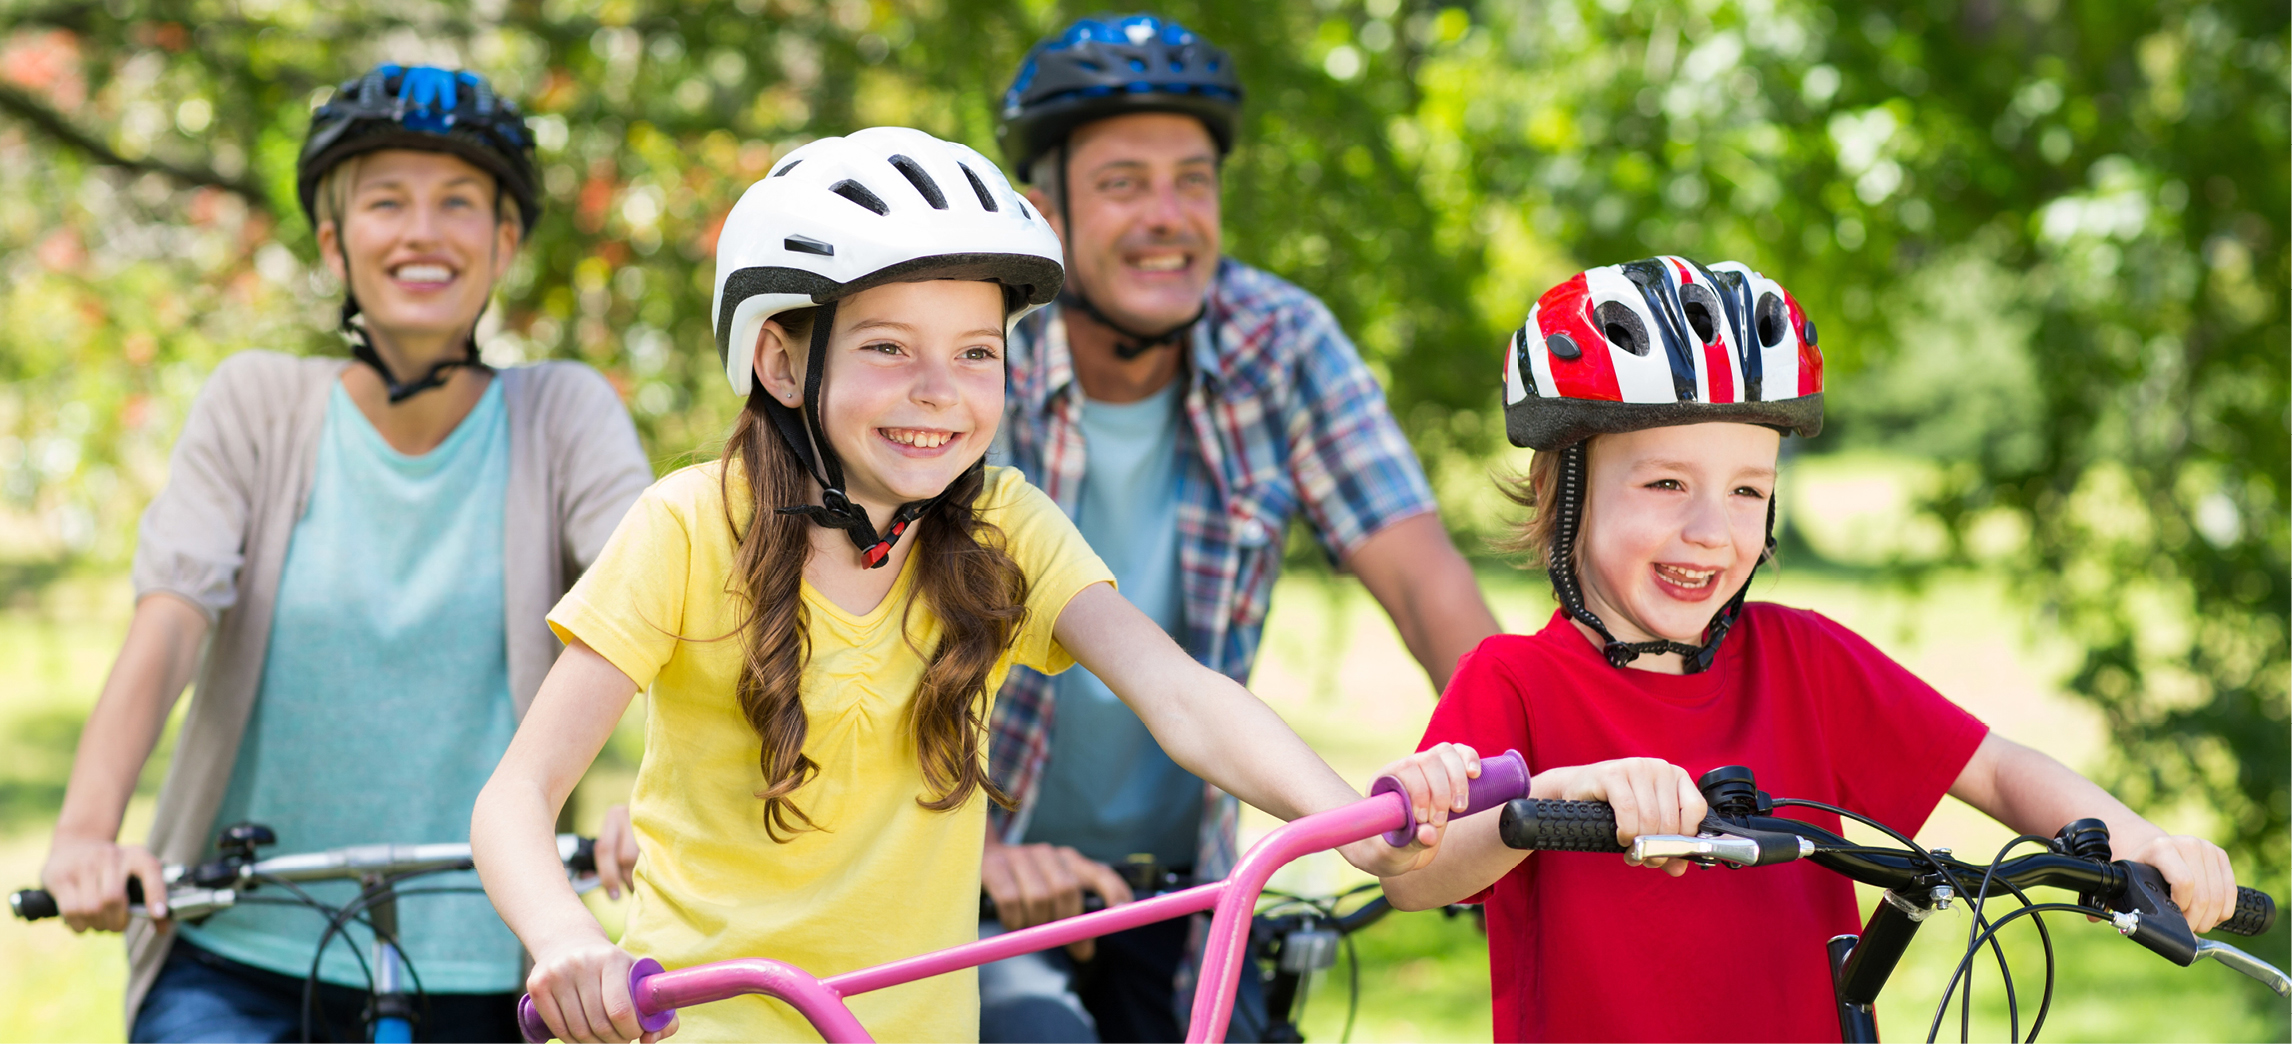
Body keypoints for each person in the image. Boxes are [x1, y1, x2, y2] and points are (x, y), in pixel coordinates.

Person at [469, 127, 1482, 1044]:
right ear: (781, 360)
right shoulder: (689, 527)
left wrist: (1350, 816)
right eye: (887, 348)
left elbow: (1182, 696)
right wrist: (565, 937)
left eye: (975, 353)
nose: (939, 391)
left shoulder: (1004, 529)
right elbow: (518, 795)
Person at [1378, 256, 2245, 1042]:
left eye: (1748, 490)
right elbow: (1415, 874)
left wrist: (2140, 842)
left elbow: (1996, 767)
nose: (1711, 532)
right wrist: (1557, 793)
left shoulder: (1804, 662)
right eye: (1666, 483)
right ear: (1565, 491)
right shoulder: (1515, 681)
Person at [34, 64, 654, 1042]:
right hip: (239, 953)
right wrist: (83, 831)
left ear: (505, 243)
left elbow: (663, 608)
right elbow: (170, 623)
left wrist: (666, 793)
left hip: (491, 964)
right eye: (385, 202)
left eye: (458, 202)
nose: (422, 231)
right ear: (334, 244)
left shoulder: (563, 415)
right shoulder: (258, 405)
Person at [978, 15, 1504, 1041]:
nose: (1167, 216)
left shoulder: (1281, 341)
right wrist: (971, 857)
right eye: (1124, 182)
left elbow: (1425, 583)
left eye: (1193, 180)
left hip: (1190, 892)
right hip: (971, 880)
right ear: (1044, 214)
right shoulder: (970, 361)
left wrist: (1529, 789)